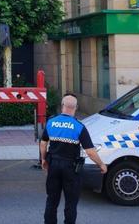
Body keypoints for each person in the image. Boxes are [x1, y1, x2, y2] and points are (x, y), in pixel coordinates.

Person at [40, 94, 107, 224]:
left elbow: (43, 143)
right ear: (76, 107)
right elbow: (90, 152)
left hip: (53, 165)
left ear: (62, 106)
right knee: (70, 203)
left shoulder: (51, 122)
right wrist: (101, 164)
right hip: (71, 168)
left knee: (52, 201)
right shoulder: (79, 126)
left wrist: (43, 160)